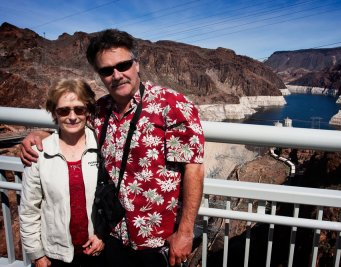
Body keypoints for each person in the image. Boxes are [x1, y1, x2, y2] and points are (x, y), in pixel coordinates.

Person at [21, 29, 205, 267]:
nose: (117, 75)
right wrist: (41, 134)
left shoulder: (172, 105)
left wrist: (186, 232)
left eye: (124, 65)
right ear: (99, 75)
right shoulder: (99, 110)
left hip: (157, 239)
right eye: (106, 70)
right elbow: (72, 126)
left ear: (136, 64)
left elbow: (194, 168)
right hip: (113, 235)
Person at [19, 79, 105, 267]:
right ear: (54, 113)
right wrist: (37, 255)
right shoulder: (40, 153)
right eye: (64, 110)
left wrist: (102, 235)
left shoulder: (103, 147)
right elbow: (29, 210)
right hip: (55, 255)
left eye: (79, 109)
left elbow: (114, 200)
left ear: (88, 111)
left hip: (97, 250)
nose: (72, 116)